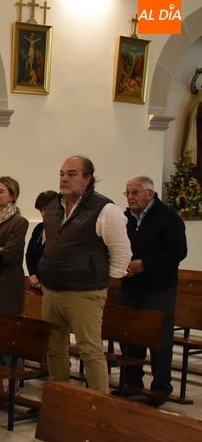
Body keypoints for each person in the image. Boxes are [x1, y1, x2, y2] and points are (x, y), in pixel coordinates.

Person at [39, 156, 131, 393]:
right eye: (62, 174)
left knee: (90, 350)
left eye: (71, 174)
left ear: (87, 179)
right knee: (54, 348)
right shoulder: (54, 206)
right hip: (52, 289)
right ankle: (61, 400)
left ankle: (98, 407)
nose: (64, 179)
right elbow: (49, 242)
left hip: (85, 291)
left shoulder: (105, 209)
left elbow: (121, 252)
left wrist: (102, 282)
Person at [119, 176, 187, 406]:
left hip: (159, 287)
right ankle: (131, 384)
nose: (130, 197)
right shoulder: (126, 217)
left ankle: (160, 389)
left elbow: (178, 252)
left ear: (150, 194)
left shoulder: (168, 217)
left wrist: (145, 264)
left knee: (159, 340)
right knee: (130, 337)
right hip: (131, 285)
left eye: (135, 192)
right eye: (127, 192)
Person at [0, 176, 29, 316]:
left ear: (11, 196)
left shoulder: (18, 222)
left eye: (0, 191)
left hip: (7, 286)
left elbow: (9, 255)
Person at [25, 190, 59, 290]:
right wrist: (32, 274)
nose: (43, 214)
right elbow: (29, 253)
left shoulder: (64, 230)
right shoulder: (39, 228)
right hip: (36, 283)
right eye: (41, 211)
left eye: (46, 210)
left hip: (54, 284)